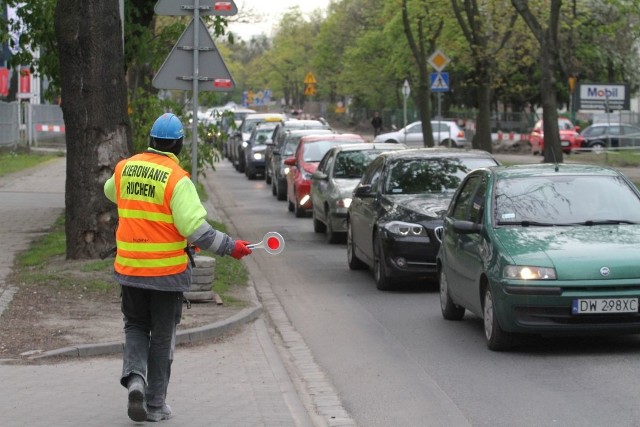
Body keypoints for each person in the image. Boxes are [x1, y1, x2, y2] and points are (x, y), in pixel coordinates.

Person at [103, 113, 252, 422]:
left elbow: (110, 192)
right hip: (166, 275)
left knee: (134, 326)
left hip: (130, 270)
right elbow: (197, 231)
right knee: (161, 337)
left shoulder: (125, 168)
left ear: (151, 141)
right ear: (179, 144)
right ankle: (155, 405)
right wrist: (231, 247)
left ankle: (134, 380)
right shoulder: (177, 178)